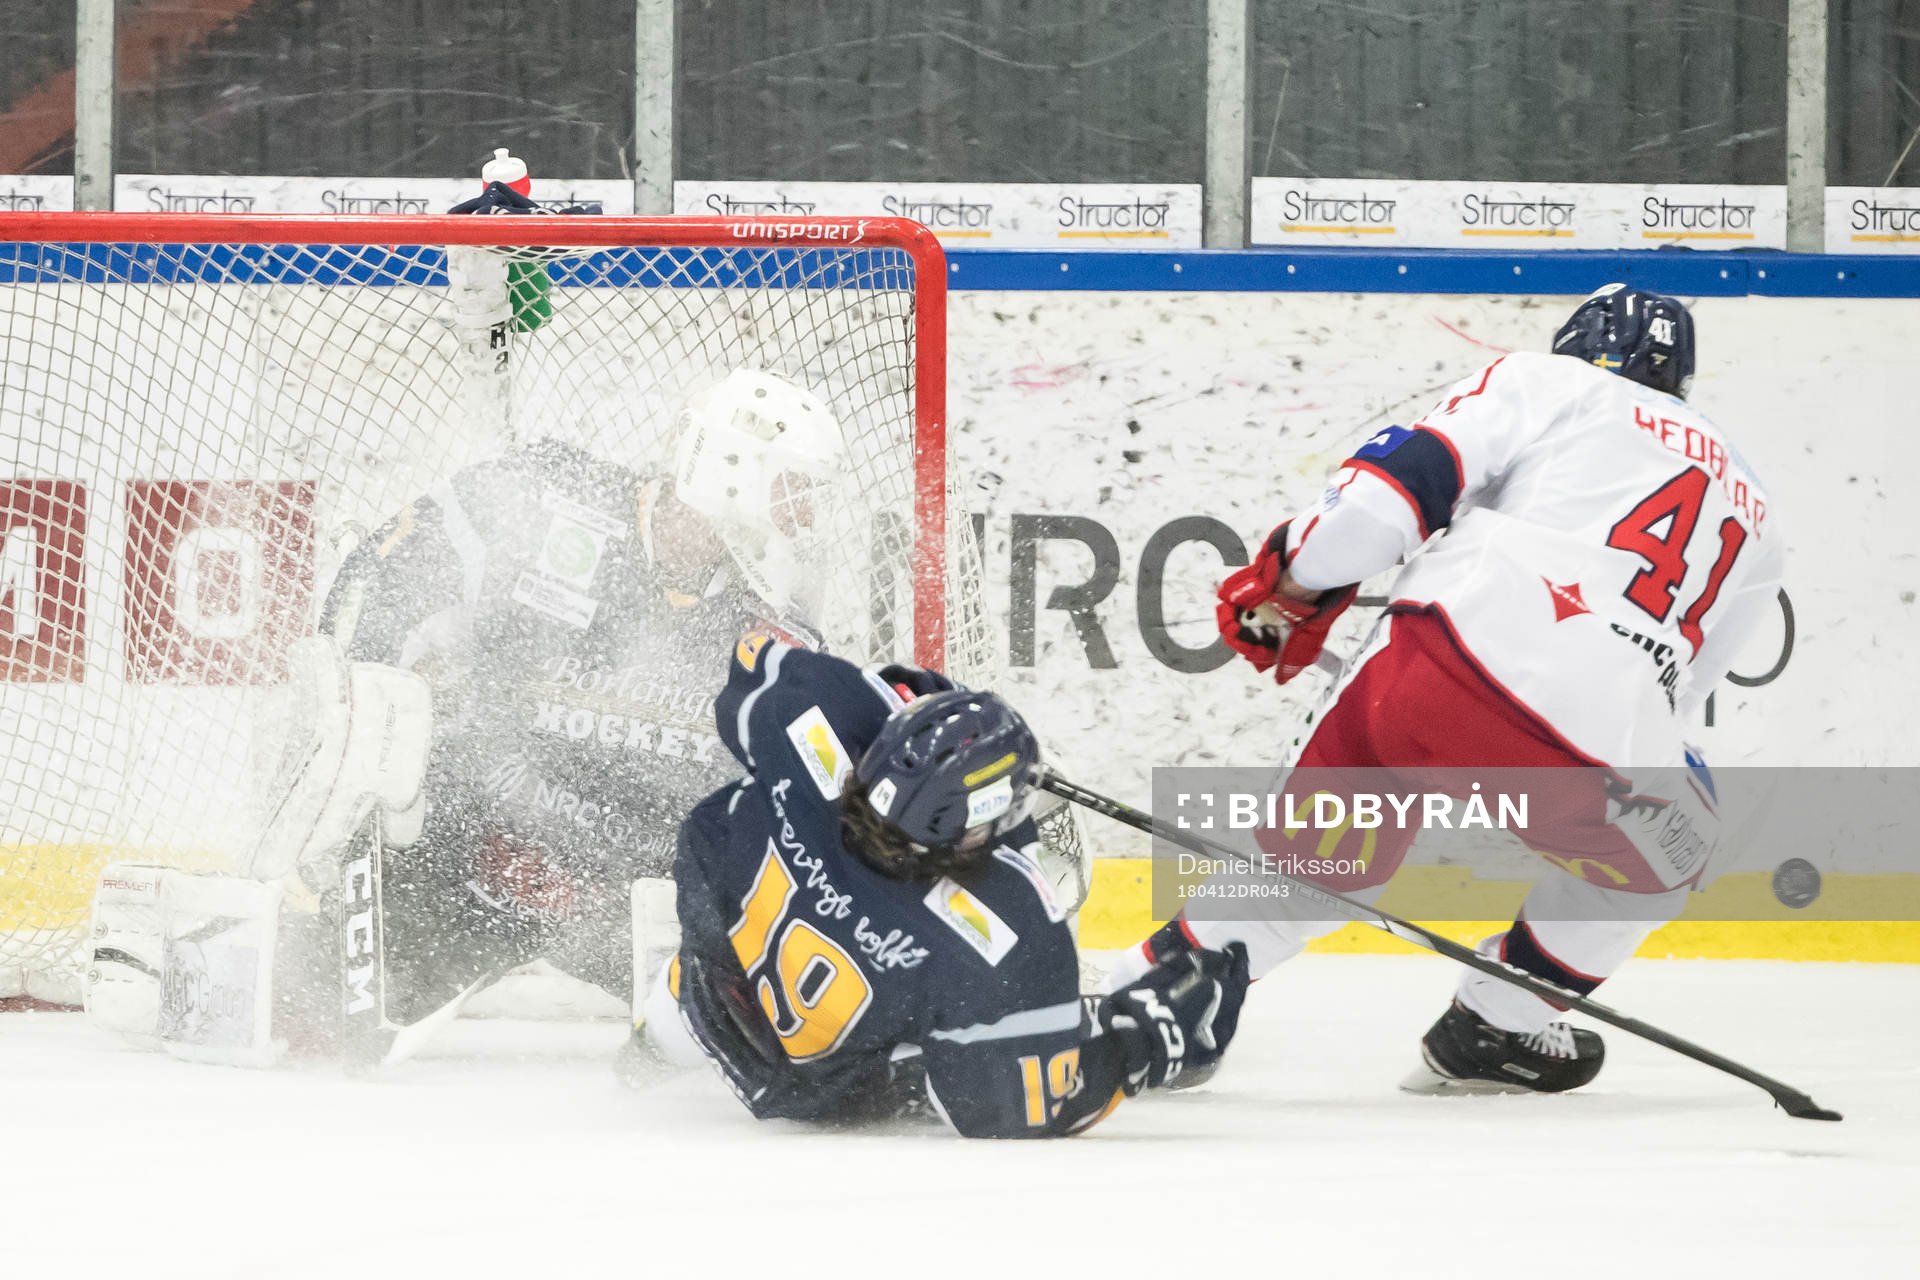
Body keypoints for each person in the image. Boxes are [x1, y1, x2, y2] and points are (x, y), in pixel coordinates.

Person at [1114, 285, 1782, 1096]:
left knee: (1310, 863)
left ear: (1574, 341)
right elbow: (1675, 697)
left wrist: (1291, 577)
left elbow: (1387, 496)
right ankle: (1499, 1025)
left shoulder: (1546, 380)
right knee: (1675, 846)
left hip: (1420, 672)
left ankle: (1140, 1006)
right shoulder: (1755, 511)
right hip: (1587, 738)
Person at [624, 636, 1250, 1136]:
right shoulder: (1000, 935)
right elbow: (1016, 1104)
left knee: (673, 1014)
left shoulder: (813, 714)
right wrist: (1144, 1040)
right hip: (810, 1085)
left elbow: (753, 659)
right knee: (954, 1039)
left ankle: (638, 1062)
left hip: (709, 987)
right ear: (971, 833)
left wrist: (886, 691)